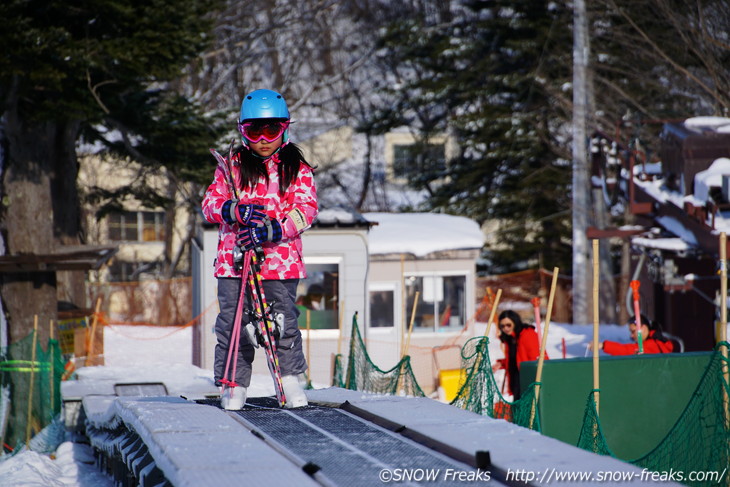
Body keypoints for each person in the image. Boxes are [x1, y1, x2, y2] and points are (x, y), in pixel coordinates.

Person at [202, 89, 318, 410]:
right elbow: (210, 204)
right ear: (242, 131)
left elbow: (306, 209)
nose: (264, 139)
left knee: (280, 321)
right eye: (254, 131)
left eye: (272, 130)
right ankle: (234, 384)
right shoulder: (233, 167)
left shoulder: (296, 168)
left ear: (285, 128)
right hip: (235, 262)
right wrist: (233, 211)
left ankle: (291, 379)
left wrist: (274, 228)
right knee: (234, 323)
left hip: (279, 261)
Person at [492, 310, 547, 400]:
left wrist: (535, 378)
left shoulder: (527, 334)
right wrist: (502, 364)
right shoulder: (510, 339)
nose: (506, 328)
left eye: (508, 325)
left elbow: (536, 357)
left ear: (515, 322)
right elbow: (516, 359)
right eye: (502, 326)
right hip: (517, 380)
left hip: (529, 379)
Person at [593, 314, 674, 355]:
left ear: (643, 328)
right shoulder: (654, 342)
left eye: (633, 331)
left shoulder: (653, 345)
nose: (631, 336)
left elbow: (626, 350)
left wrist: (603, 345)